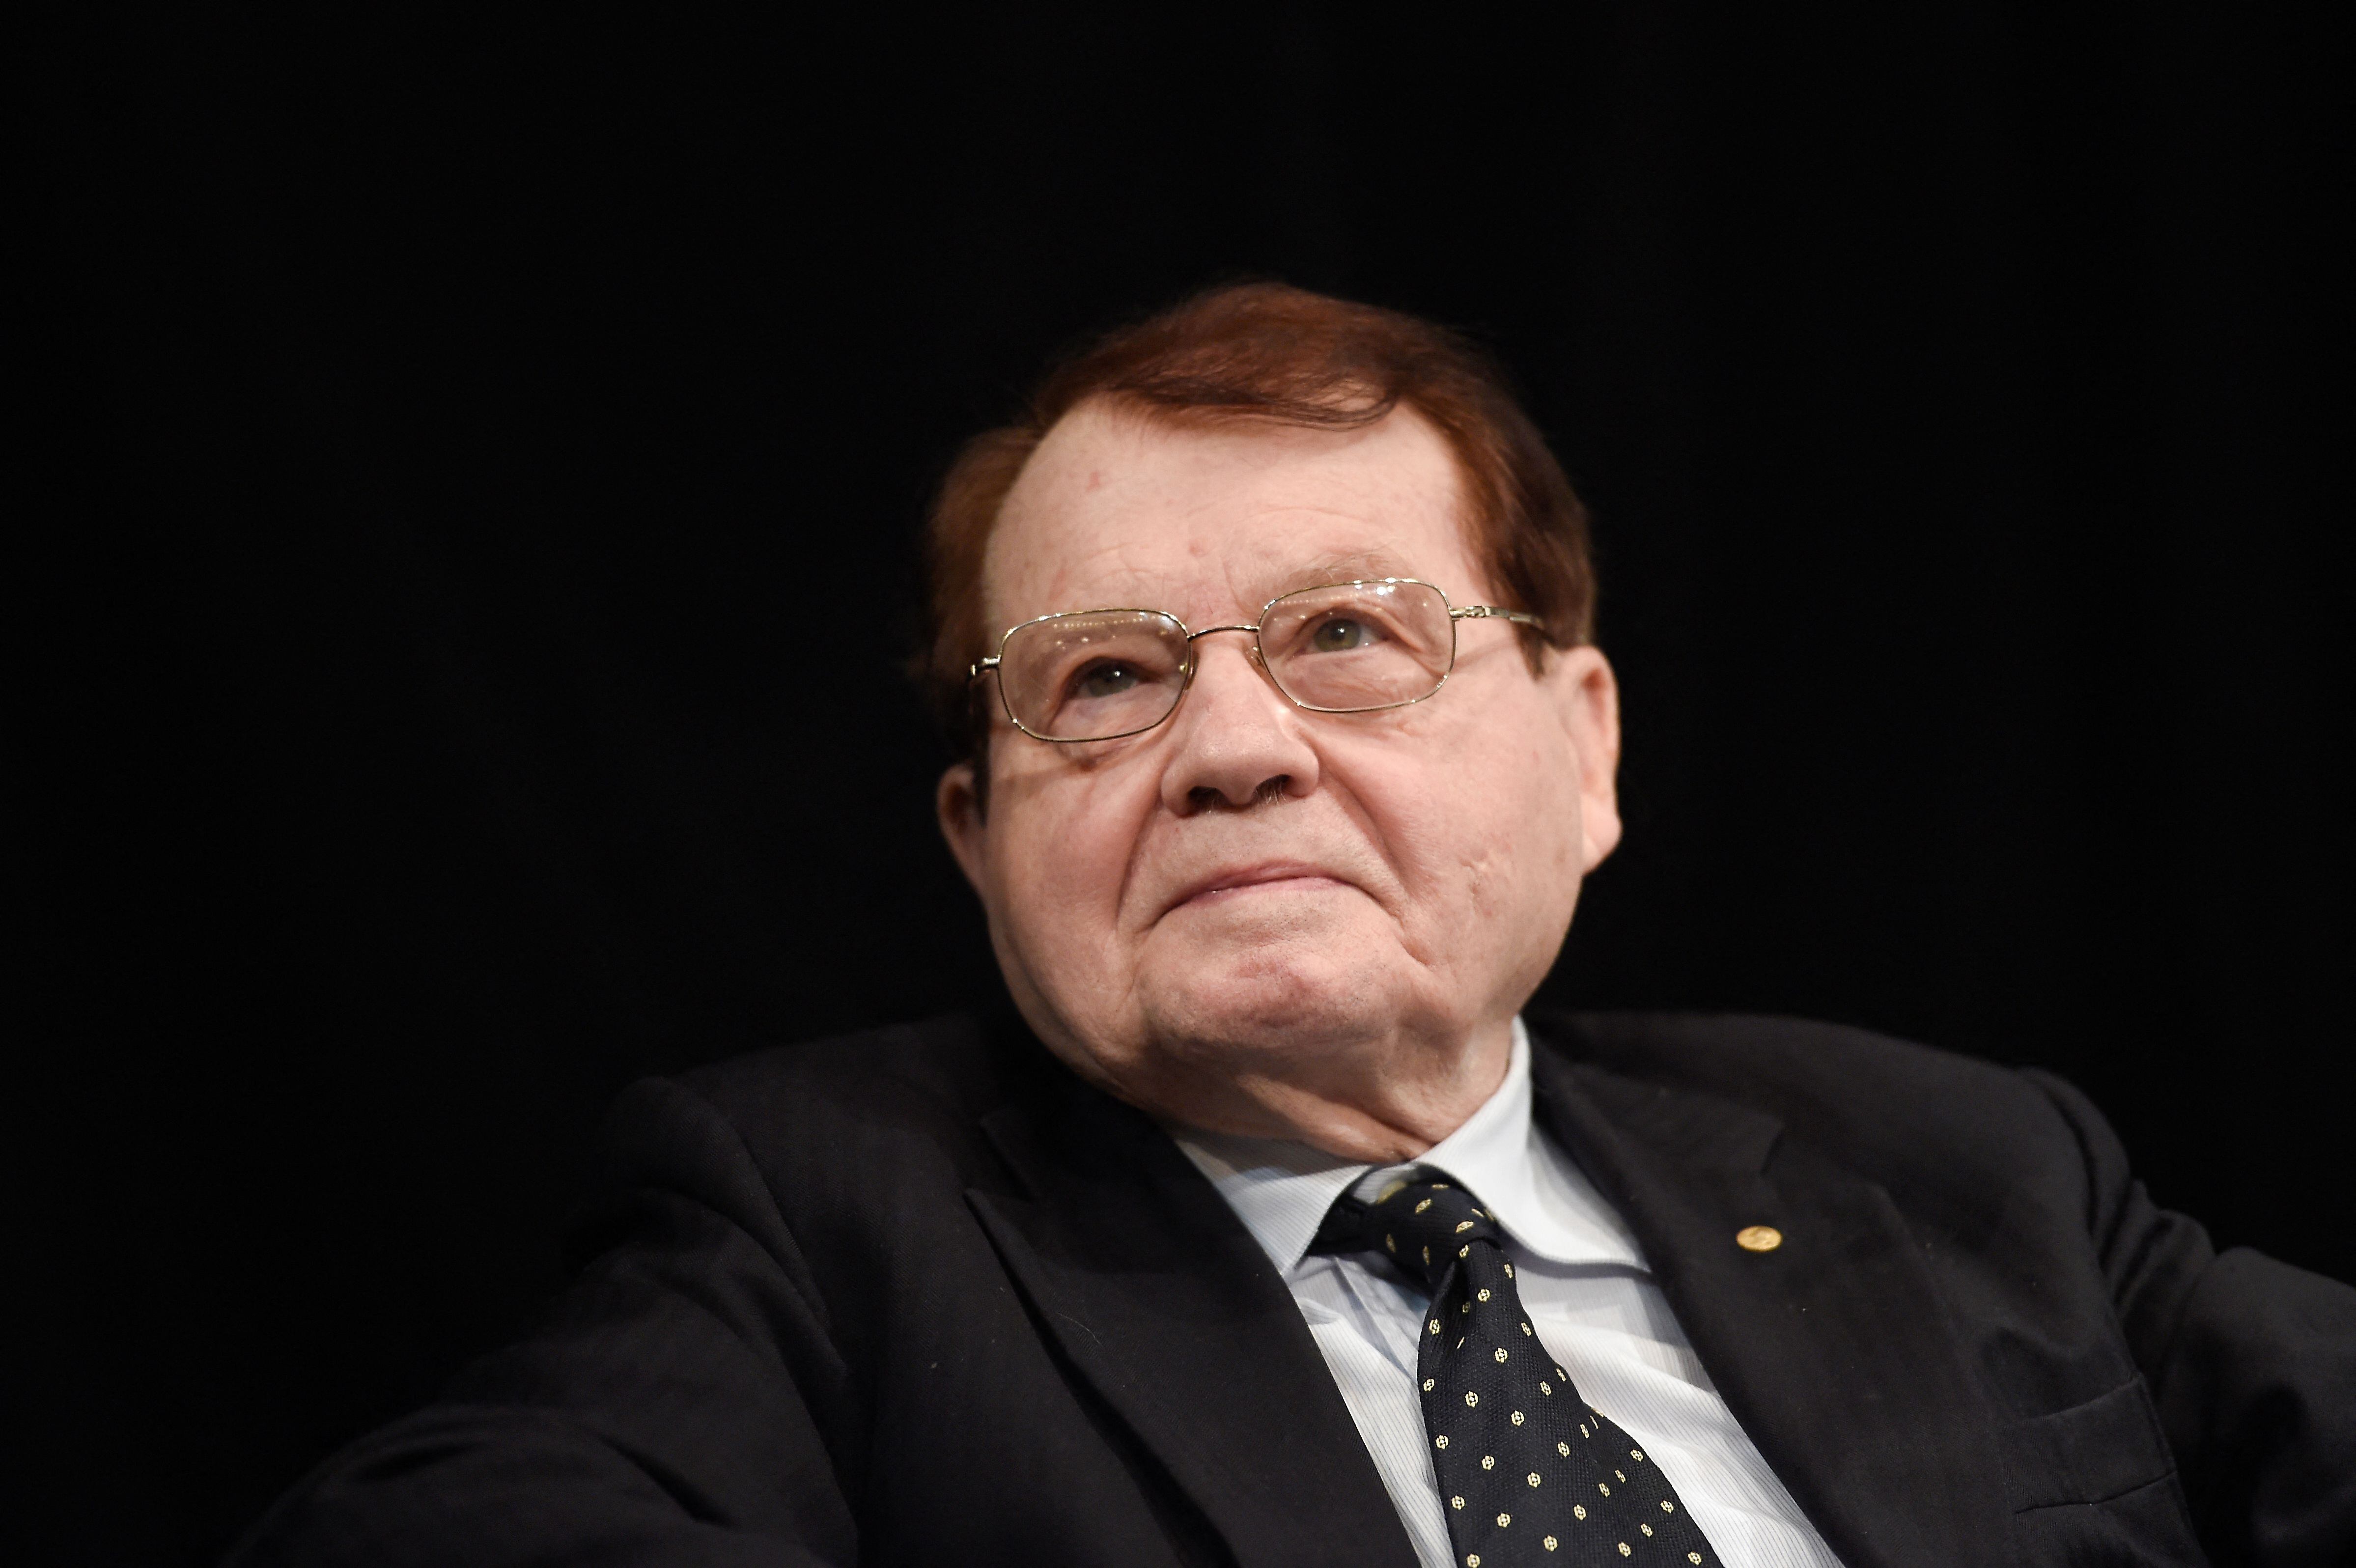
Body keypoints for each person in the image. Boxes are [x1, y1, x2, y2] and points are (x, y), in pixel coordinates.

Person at [232, 284, 2353, 1568]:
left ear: (1582, 741)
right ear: (979, 842)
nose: (1229, 749)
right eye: (1103, 678)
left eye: (1344, 633)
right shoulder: (809, 1233)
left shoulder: (1961, 1160)